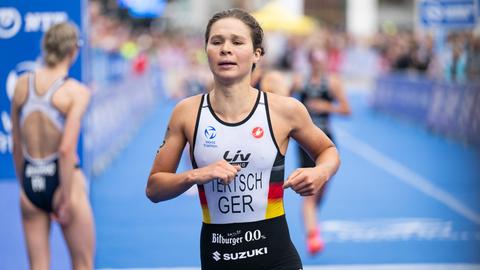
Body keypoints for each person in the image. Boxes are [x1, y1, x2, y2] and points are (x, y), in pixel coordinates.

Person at [146, 9, 340, 270]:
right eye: (217, 42)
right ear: (207, 51)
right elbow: (154, 188)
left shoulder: (284, 110)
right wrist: (197, 174)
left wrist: (321, 172)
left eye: (237, 42)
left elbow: (328, 150)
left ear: (256, 53)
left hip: (277, 259)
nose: (226, 49)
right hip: (219, 259)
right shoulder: (187, 113)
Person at [11, 22, 95, 270]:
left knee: (38, 266)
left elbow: (17, 145)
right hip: (64, 182)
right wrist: (66, 197)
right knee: (82, 263)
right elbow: (66, 148)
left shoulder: (21, 85)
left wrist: (26, 187)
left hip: (30, 180)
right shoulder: (76, 92)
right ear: (73, 49)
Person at [296, 46, 351, 255]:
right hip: (305, 142)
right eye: (314, 60)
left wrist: (326, 107)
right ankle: (312, 236)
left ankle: (312, 221)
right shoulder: (300, 81)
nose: (318, 64)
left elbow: (347, 109)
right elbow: (284, 101)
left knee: (321, 190)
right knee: (310, 193)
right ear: (310, 61)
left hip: (326, 140)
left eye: (321, 60)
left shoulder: (333, 82)